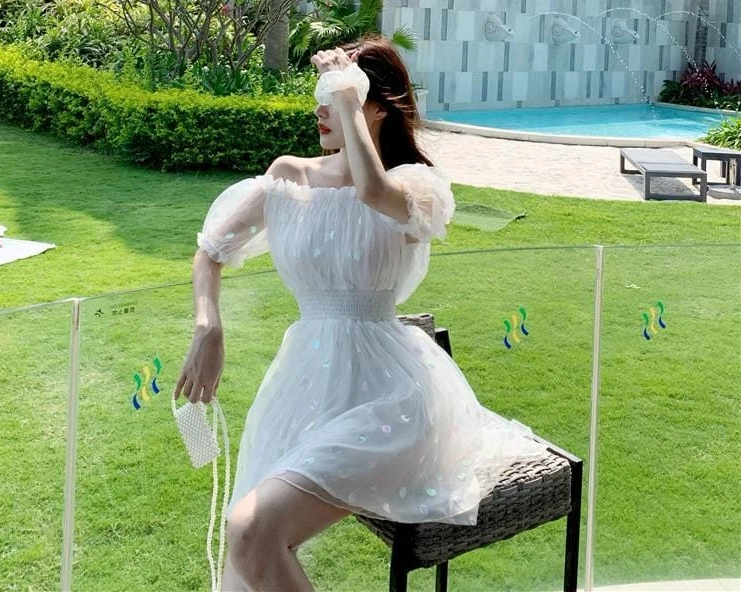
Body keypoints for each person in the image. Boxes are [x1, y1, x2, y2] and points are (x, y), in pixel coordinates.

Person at [175, 36, 545, 592]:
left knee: (251, 530)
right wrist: (209, 326)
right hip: (304, 390)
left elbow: (372, 191)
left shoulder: (418, 188)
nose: (321, 108)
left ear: (378, 106)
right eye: (321, 95)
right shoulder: (289, 177)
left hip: (392, 399)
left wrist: (347, 96)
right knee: (251, 538)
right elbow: (210, 252)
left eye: (337, 95)